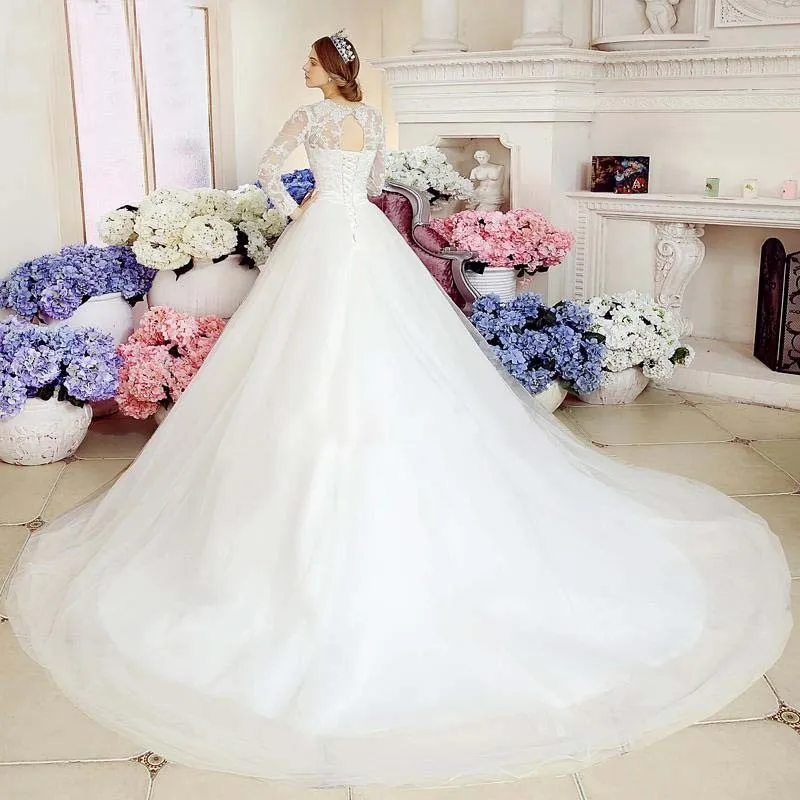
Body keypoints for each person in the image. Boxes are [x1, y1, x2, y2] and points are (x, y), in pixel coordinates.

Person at [4, 31, 792, 789]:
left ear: (326, 69)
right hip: (368, 239)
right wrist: (339, 201)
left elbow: (274, 175)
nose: (304, 69)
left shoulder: (311, 117)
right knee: (391, 346)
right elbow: (379, 183)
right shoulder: (372, 118)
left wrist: (300, 211)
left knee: (306, 349)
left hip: (323, 237)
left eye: (310, 61)